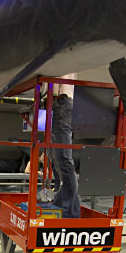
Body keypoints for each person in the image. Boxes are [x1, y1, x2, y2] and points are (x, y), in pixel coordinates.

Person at [50, 74, 80, 218]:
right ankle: (62, 203)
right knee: (57, 161)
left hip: (60, 101)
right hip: (55, 101)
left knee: (63, 160)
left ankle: (70, 211)